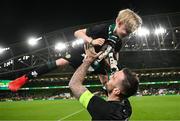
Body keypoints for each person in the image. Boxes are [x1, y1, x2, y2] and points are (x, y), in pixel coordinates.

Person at [8, 9, 142, 92]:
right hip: (83, 52)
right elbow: (77, 33)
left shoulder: (118, 39)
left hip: (99, 59)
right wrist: (91, 41)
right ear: (118, 23)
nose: (127, 34)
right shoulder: (102, 29)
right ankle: (24, 79)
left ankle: (111, 104)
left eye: (130, 33)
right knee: (59, 62)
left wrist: (113, 63)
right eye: (126, 31)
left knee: (105, 80)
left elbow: (116, 52)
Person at [69, 44, 139, 120]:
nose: (111, 76)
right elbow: (108, 86)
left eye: (114, 78)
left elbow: (74, 84)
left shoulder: (104, 110)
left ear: (116, 91)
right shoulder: (126, 108)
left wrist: (88, 60)